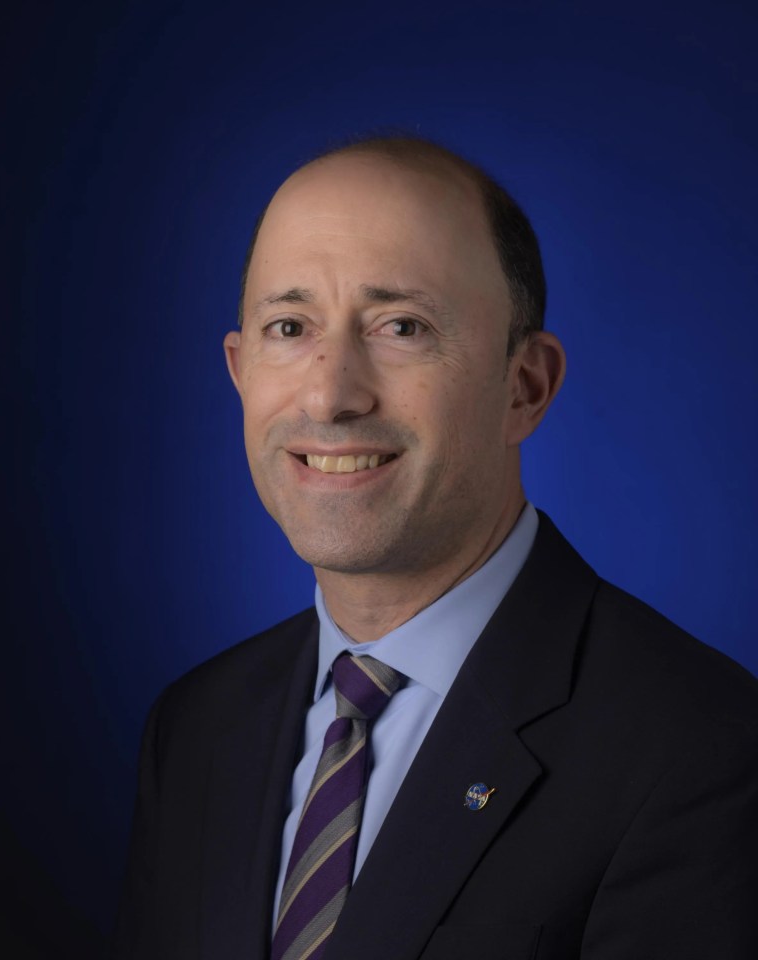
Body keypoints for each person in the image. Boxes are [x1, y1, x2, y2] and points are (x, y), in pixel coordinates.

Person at [112, 136, 758, 960]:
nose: (330, 392)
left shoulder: (699, 749)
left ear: (525, 387)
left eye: (402, 326)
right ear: (240, 371)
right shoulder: (196, 729)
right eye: (289, 326)